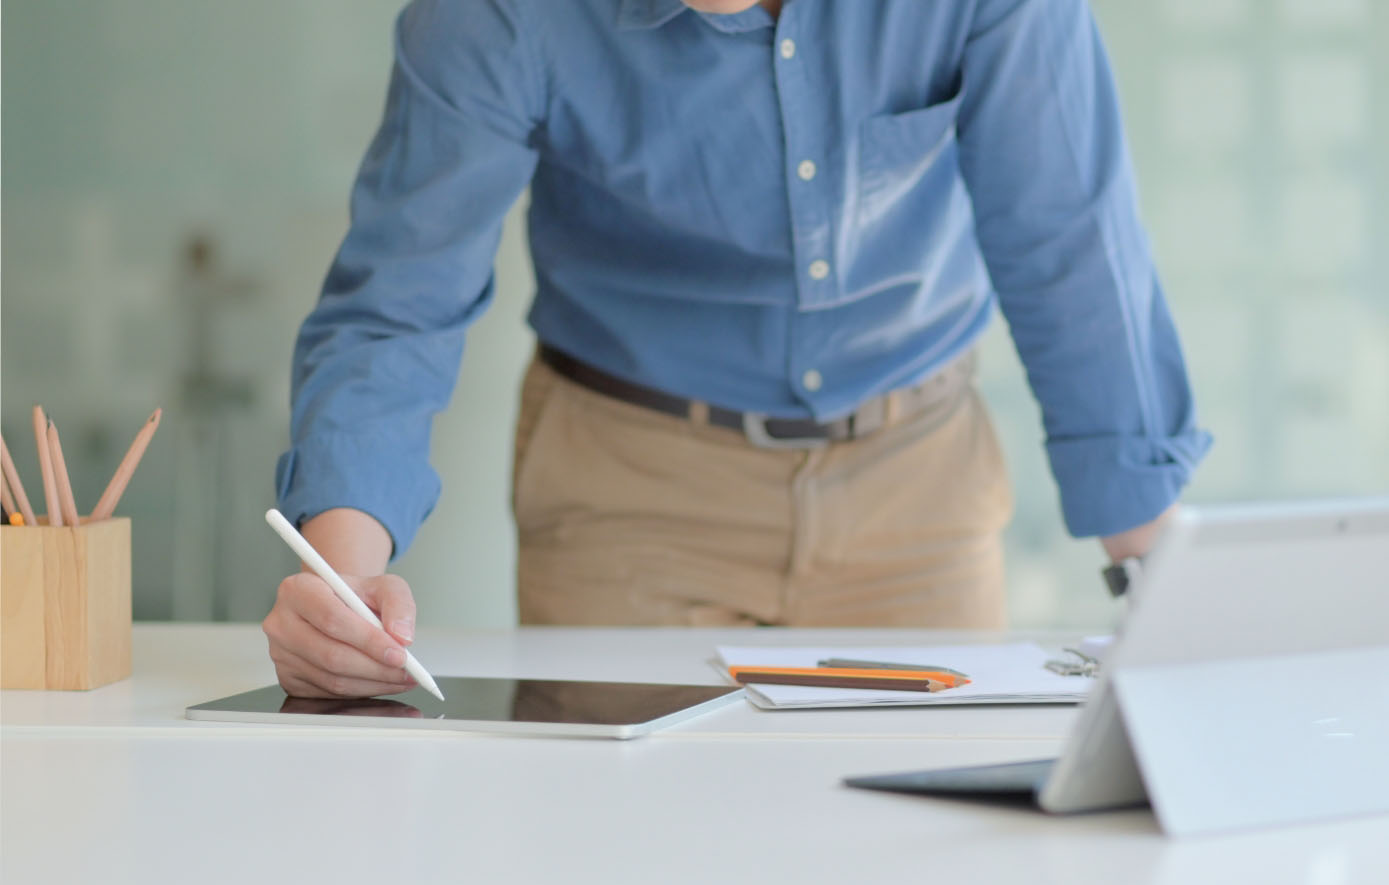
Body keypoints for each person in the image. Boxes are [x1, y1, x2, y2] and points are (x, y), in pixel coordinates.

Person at [263, 0, 1211, 699]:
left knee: (921, 879)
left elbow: (1070, 248)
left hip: (915, 481)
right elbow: (399, 302)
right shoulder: (493, 15)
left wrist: (1155, 579)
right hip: (629, 485)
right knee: (632, 882)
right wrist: (343, 592)